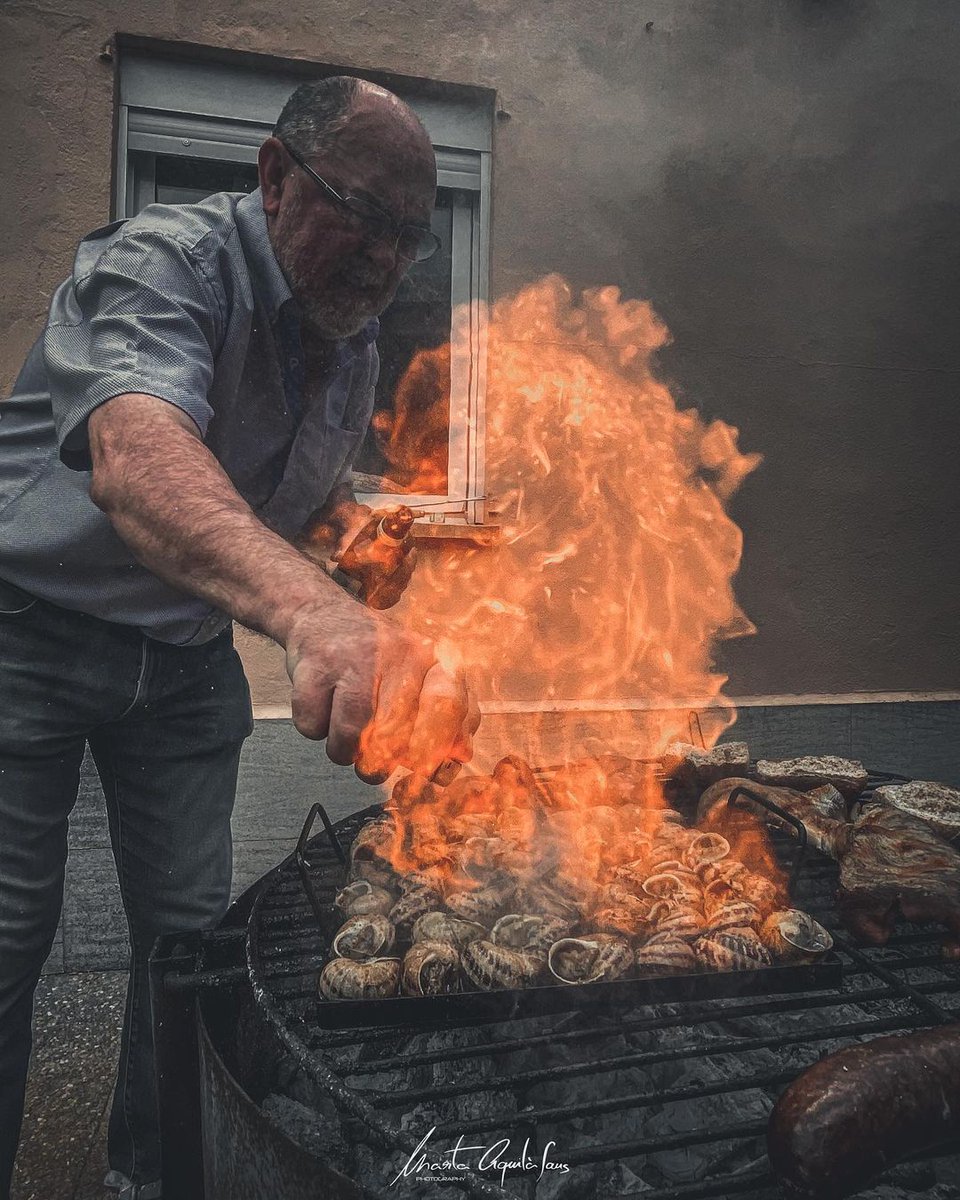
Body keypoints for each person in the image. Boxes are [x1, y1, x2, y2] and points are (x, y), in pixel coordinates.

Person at [0, 75, 477, 1199]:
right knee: (8, 943)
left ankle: (151, 1176)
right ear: (274, 175)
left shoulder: (346, 343)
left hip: (180, 666)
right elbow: (139, 452)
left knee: (189, 953)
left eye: (412, 237)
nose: (387, 258)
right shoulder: (163, 260)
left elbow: (273, 498)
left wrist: (360, 542)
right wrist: (320, 614)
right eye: (365, 214)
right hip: (24, 634)